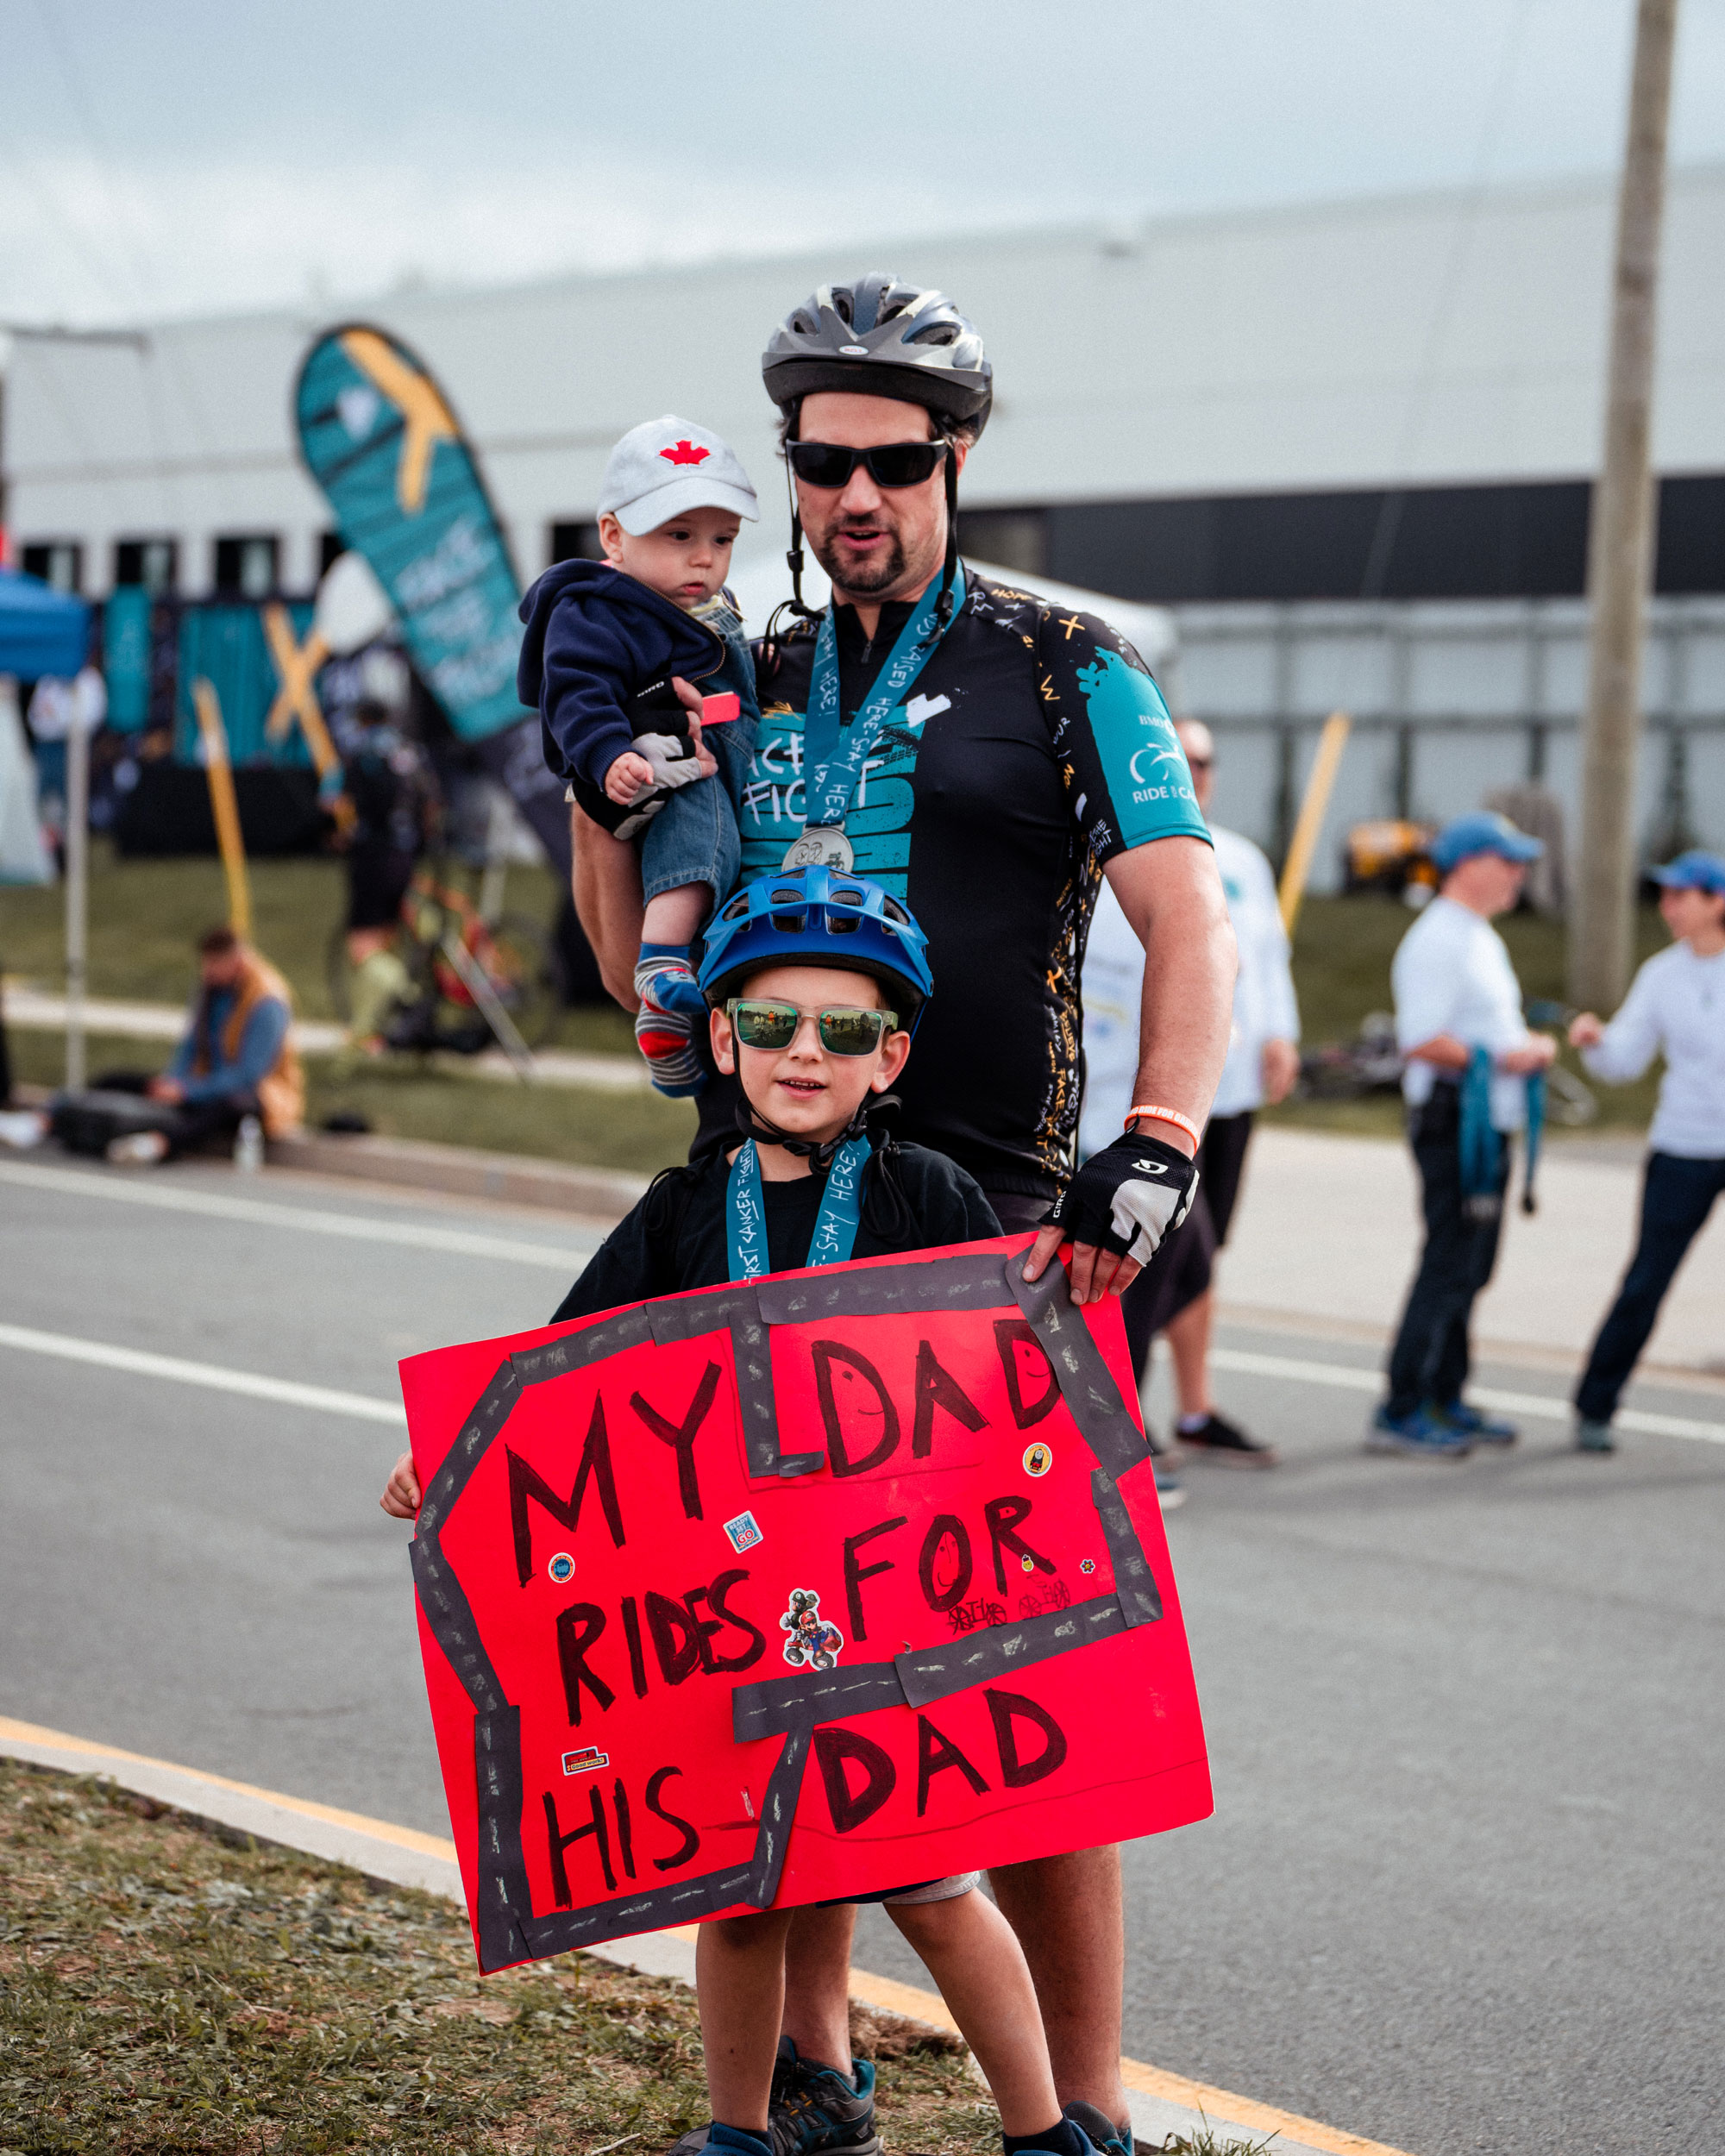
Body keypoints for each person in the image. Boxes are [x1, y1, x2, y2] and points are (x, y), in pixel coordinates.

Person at [568, 274, 1237, 2156]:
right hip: (762, 1209)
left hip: (999, 1229)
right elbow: (633, 962)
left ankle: (1081, 2105)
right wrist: (595, 785)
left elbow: (1187, 917)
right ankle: (817, 2066)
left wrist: (1160, 1137)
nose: (853, 491)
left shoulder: (1064, 660)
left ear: (955, 461)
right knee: (780, 1656)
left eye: (893, 458)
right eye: (820, 458)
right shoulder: (745, 670)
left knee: (1022, 1699)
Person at [382, 870, 1101, 2156]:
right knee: (741, 1887)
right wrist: (450, 1463)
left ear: (893, 1055)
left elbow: (998, 1387)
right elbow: (556, 1381)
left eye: (840, 1031)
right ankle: (743, 2128)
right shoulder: (677, 1213)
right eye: (769, 1027)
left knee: (935, 1888)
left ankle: (1045, 2128)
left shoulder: (927, 1195)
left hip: (891, 1618)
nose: (802, 1054)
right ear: (721, 1041)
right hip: (731, 1627)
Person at [518, 415, 763, 1094]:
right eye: (679, 536)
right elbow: (575, 694)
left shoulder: (713, 606)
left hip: (715, 759)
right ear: (613, 536)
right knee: (698, 828)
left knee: (712, 842)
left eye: (723, 539)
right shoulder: (596, 609)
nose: (703, 558)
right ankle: (660, 966)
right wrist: (607, 759)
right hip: (657, 773)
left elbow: (736, 682)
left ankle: (667, 1030)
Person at [1083, 720, 1298, 1475]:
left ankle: (1192, 1409)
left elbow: (1265, 957)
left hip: (1226, 1095)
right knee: (1167, 1253)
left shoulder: (1240, 857)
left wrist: (1282, 1034)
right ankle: (1116, 1425)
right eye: (1179, 758)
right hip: (1142, 1102)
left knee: (1197, 1260)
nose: (1195, 772)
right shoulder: (1114, 853)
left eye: (1205, 760)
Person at [1372, 811, 1557, 1457]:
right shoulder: (1439, 939)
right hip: (1455, 1124)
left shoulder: (1476, 934)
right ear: (1469, 863)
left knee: (1471, 1268)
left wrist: (1514, 1045)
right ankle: (1402, 1405)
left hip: (1484, 1123)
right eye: (1508, 860)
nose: (1518, 873)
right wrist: (1508, 1056)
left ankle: (1446, 1394)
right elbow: (1421, 1039)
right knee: (1449, 1264)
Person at [1565, 849, 1725, 1454]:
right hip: (1682, 1147)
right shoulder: (1662, 973)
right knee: (1646, 1282)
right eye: (1663, 896)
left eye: (1682, 895)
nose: (1669, 907)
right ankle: (1594, 1405)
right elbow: (1624, 1059)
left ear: (1717, 901)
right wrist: (1595, 1043)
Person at [79, 925, 304, 1164]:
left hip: (258, 1094)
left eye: (215, 964)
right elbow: (191, 1044)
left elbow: (248, 1074)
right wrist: (173, 1082)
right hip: (203, 1079)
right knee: (119, 1081)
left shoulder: (267, 1000)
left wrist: (189, 1092)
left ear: (236, 960)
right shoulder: (211, 986)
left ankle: (158, 1144)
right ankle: (54, 1117)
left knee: (228, 1105)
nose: (208, 972)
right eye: (205, 964)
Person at [333, 697, 438, 1060]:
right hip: (405, 855)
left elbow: (341, 802)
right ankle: (378, 1026)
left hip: (373, 854)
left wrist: (340, 834)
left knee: (363, 946)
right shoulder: (408, 750)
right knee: (387, 939)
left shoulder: (362, 751)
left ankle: (408, 1001)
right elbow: (430, 802)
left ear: (363, 719)